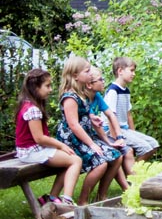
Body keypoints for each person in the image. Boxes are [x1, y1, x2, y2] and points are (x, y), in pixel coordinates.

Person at [56, 56, 122, 205]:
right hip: (73, 140)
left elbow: (81, 115)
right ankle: (83, 201)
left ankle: (101, 196)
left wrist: (91, 118)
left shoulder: (80, 93)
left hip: (84, 136)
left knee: (116, 156)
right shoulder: (70, 97)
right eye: (87, 71)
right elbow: (73, 125)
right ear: (75, 76)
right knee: (101, 163)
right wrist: (92, 144)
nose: (90, 74)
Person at [14, 69, 82, 206]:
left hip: (30, 150)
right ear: (35, 87)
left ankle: (52, 198)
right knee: (75, 161)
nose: (50, 90)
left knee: (68, 161)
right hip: (31, 151)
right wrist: (61, 145)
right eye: (47, 86)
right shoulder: (32, 109)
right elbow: (39, 138)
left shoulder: (27, 104)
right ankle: (66, 201)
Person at [104, 57, 158, 180]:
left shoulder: (126, 91)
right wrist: (116, 139)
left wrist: (133, 133)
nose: (134, 74)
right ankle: (134, 177)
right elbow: (110, 117)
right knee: (145, 148)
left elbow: (128, 114)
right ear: (120, 71)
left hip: (124, 129)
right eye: (131, 70)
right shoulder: (113, 91)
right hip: (112, 130)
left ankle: (135, 171)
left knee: (153, 145)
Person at [86, 66, 132, 190]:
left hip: (97, 136)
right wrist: (108, 141)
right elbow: (96, 126)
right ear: (89, 84)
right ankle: (126, 188)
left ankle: (107, 192)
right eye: (101, 79)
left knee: (120, 153)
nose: (104, 82)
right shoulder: (85, 101)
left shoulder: (97, 97)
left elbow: (111, 115)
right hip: (89, 138)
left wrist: (119, 137)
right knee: (114, 155)